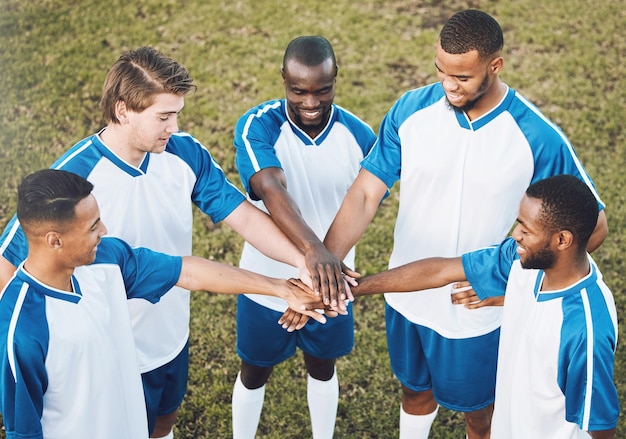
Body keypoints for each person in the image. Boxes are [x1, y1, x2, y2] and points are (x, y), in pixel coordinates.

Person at [0, 46, 346, 439]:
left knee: (164, 422)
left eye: (176, 115)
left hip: (170, 333)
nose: (174, 128)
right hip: (113, 351)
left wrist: (303, 265)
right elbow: (10, 264)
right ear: (122, 110)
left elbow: (245, 217)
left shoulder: (183, 152)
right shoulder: (73, 183)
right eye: (163, 117)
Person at [322, 9, 608, 439]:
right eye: (442, 72)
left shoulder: (537, 137)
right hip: (407, 297)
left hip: (474, 311)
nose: (448, 87)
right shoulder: (410, 110)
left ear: (495, 66)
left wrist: (510, 282)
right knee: (414, 392)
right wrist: (327, 262)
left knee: (481, 415)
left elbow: (592, 228)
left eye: (463, 78)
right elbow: (365, 194)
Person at [0, 169, 328, 439]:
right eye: (92, 227)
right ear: (54, 240)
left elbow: (187, 271)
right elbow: (23, 431)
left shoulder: (108, 258)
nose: (105, 230)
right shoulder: (22, 329)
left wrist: (281, 288)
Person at [340, 175, 618, 439]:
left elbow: (599, 424)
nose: (515, 235)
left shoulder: (584, 328)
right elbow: (442, 271)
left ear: (562, 240)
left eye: (525, 229)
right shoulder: (522, 262)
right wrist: (351, 288)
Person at [231, 36, 376, 438]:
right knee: (254, 371)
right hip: (268, 285)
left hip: (330, 286)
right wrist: (313, 257)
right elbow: (272, 189)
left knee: (323, 366)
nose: (310, 101)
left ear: (335, 79)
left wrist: (318, 279)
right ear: (283, 80)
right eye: (298, 90)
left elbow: (365, 205)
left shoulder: (361, 137)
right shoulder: (256, 125)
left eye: (321, 89)